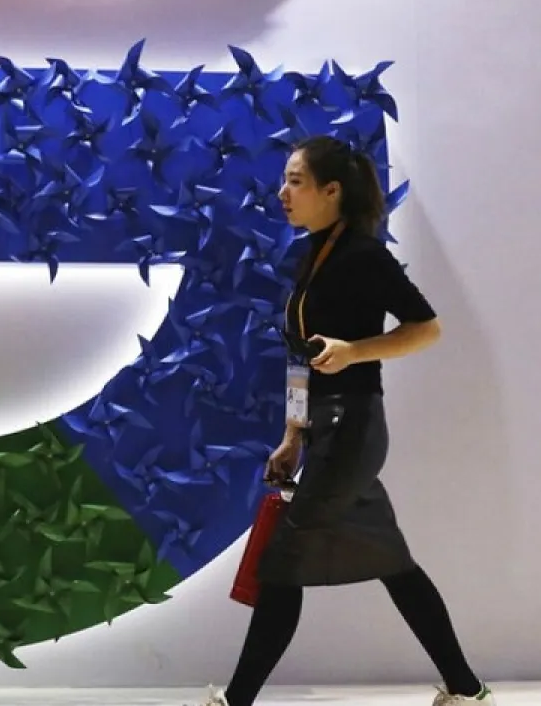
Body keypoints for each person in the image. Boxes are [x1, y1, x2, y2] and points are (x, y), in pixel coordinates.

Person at [200, 135, 494, 706]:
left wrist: (355, 350)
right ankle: (467, 690)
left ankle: (236, 702)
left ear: (331, 191)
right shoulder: (312, 255)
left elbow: (426, 328)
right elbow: (300, 356)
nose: (282, 192)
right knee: (396, 565)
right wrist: (291, 436)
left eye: (295, 181)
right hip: (330, 432)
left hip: (354, 428)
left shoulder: (363, 254)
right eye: (285, 180)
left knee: (281, 565)